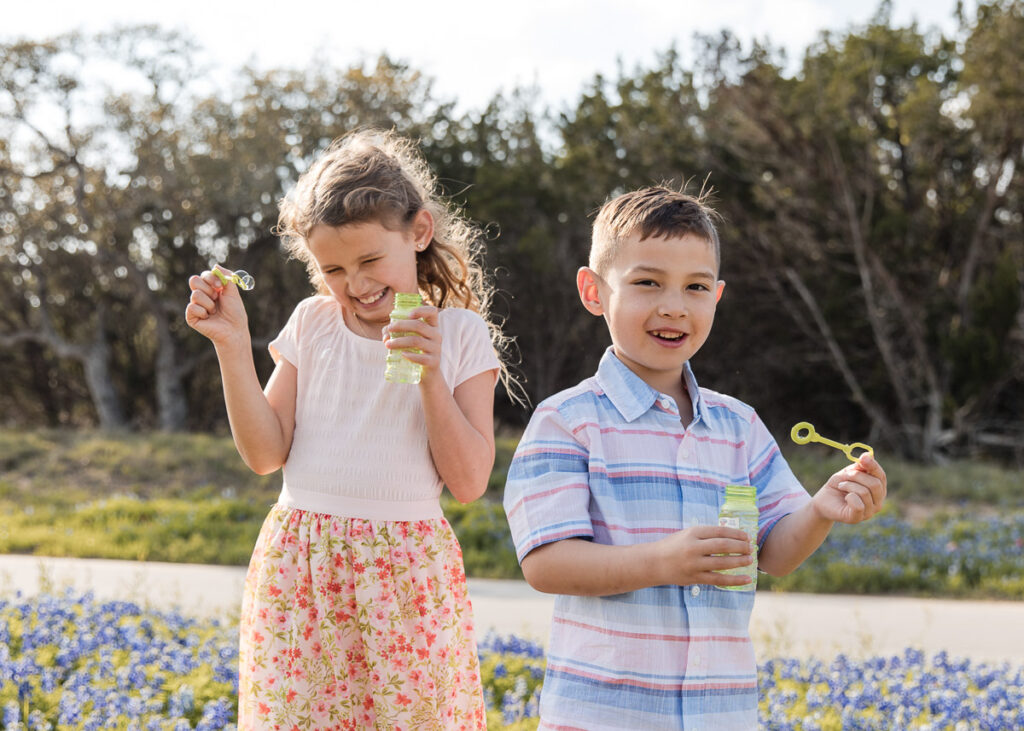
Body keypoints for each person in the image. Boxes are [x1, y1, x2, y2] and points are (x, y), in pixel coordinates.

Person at [502, 186, 888, 730]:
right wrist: (662, 562)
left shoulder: (738, 427)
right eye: (647, 282)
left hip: (720, 714)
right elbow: (546, 563)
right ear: (593, 291)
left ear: (717, 297)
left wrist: (822, 508)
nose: (673, 306)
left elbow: (774, 554)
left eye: (695, 287)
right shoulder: (568, 421)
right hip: (604, 716)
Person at [185, 129, 510, 730]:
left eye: (369, 261)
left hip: (408, 574)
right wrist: (233, 346)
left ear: (418, 231)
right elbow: (264, 455)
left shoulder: (461, 334)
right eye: (332, 268)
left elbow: (468, 482)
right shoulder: (313, 323)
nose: (354, 284)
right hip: (300, 568)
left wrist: (430, 376)